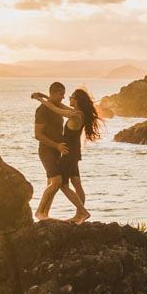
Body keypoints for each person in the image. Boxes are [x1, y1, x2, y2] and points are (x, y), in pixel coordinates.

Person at [32, 87, 102, 223]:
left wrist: (40, 99)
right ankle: (79, 214)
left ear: (76, 100)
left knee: (62, 185)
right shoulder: (78, 113)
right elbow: (57, 105)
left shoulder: (74, 115)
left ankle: (81, 212)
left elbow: (55, 109)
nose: (67, 98)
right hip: (75, 153)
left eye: (70, 96)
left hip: (69, 154)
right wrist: (46, 97)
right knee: (76, 183)